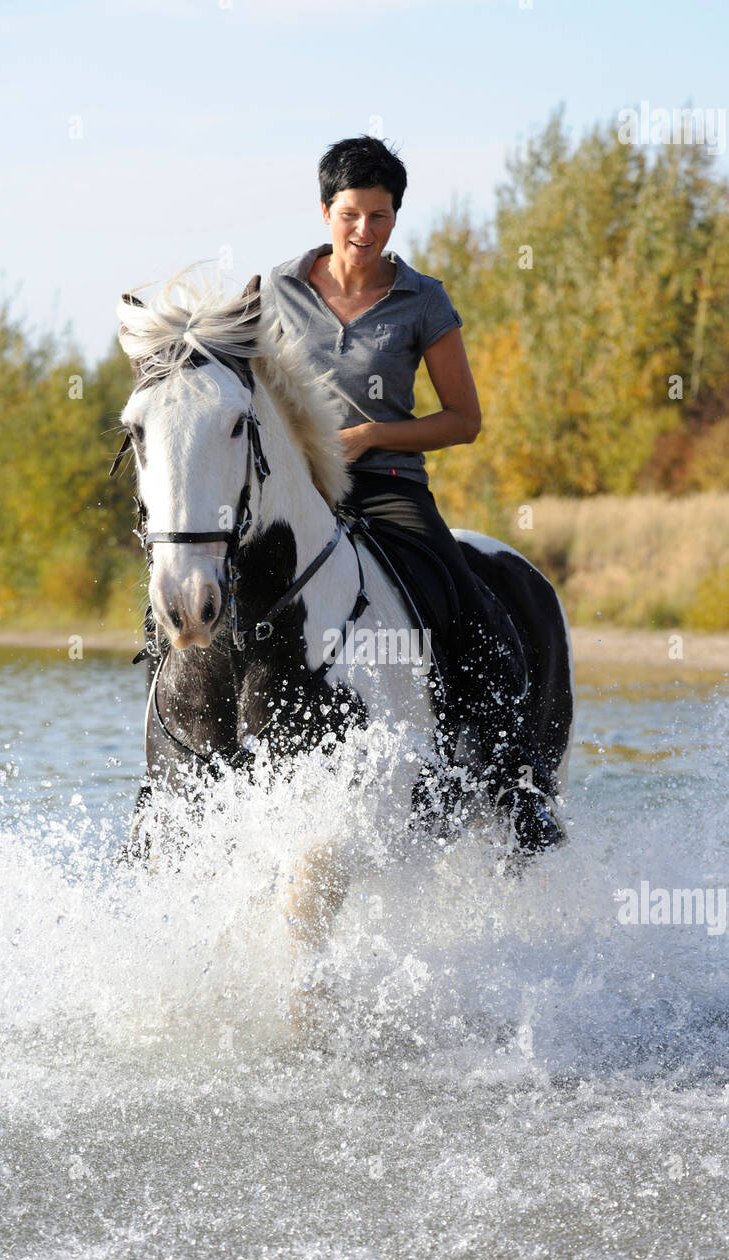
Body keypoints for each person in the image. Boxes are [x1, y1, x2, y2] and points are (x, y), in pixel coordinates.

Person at [260, 136, 563, 854]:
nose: (365, 232)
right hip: (295, 487)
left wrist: (369, 436)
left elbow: (464, 421)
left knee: (460, 597)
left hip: (386, 483)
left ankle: (506, 777)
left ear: (396, 215)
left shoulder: (422, 299)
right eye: (351, 215)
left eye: (382, 216)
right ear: (324, 210)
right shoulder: (273, 290)